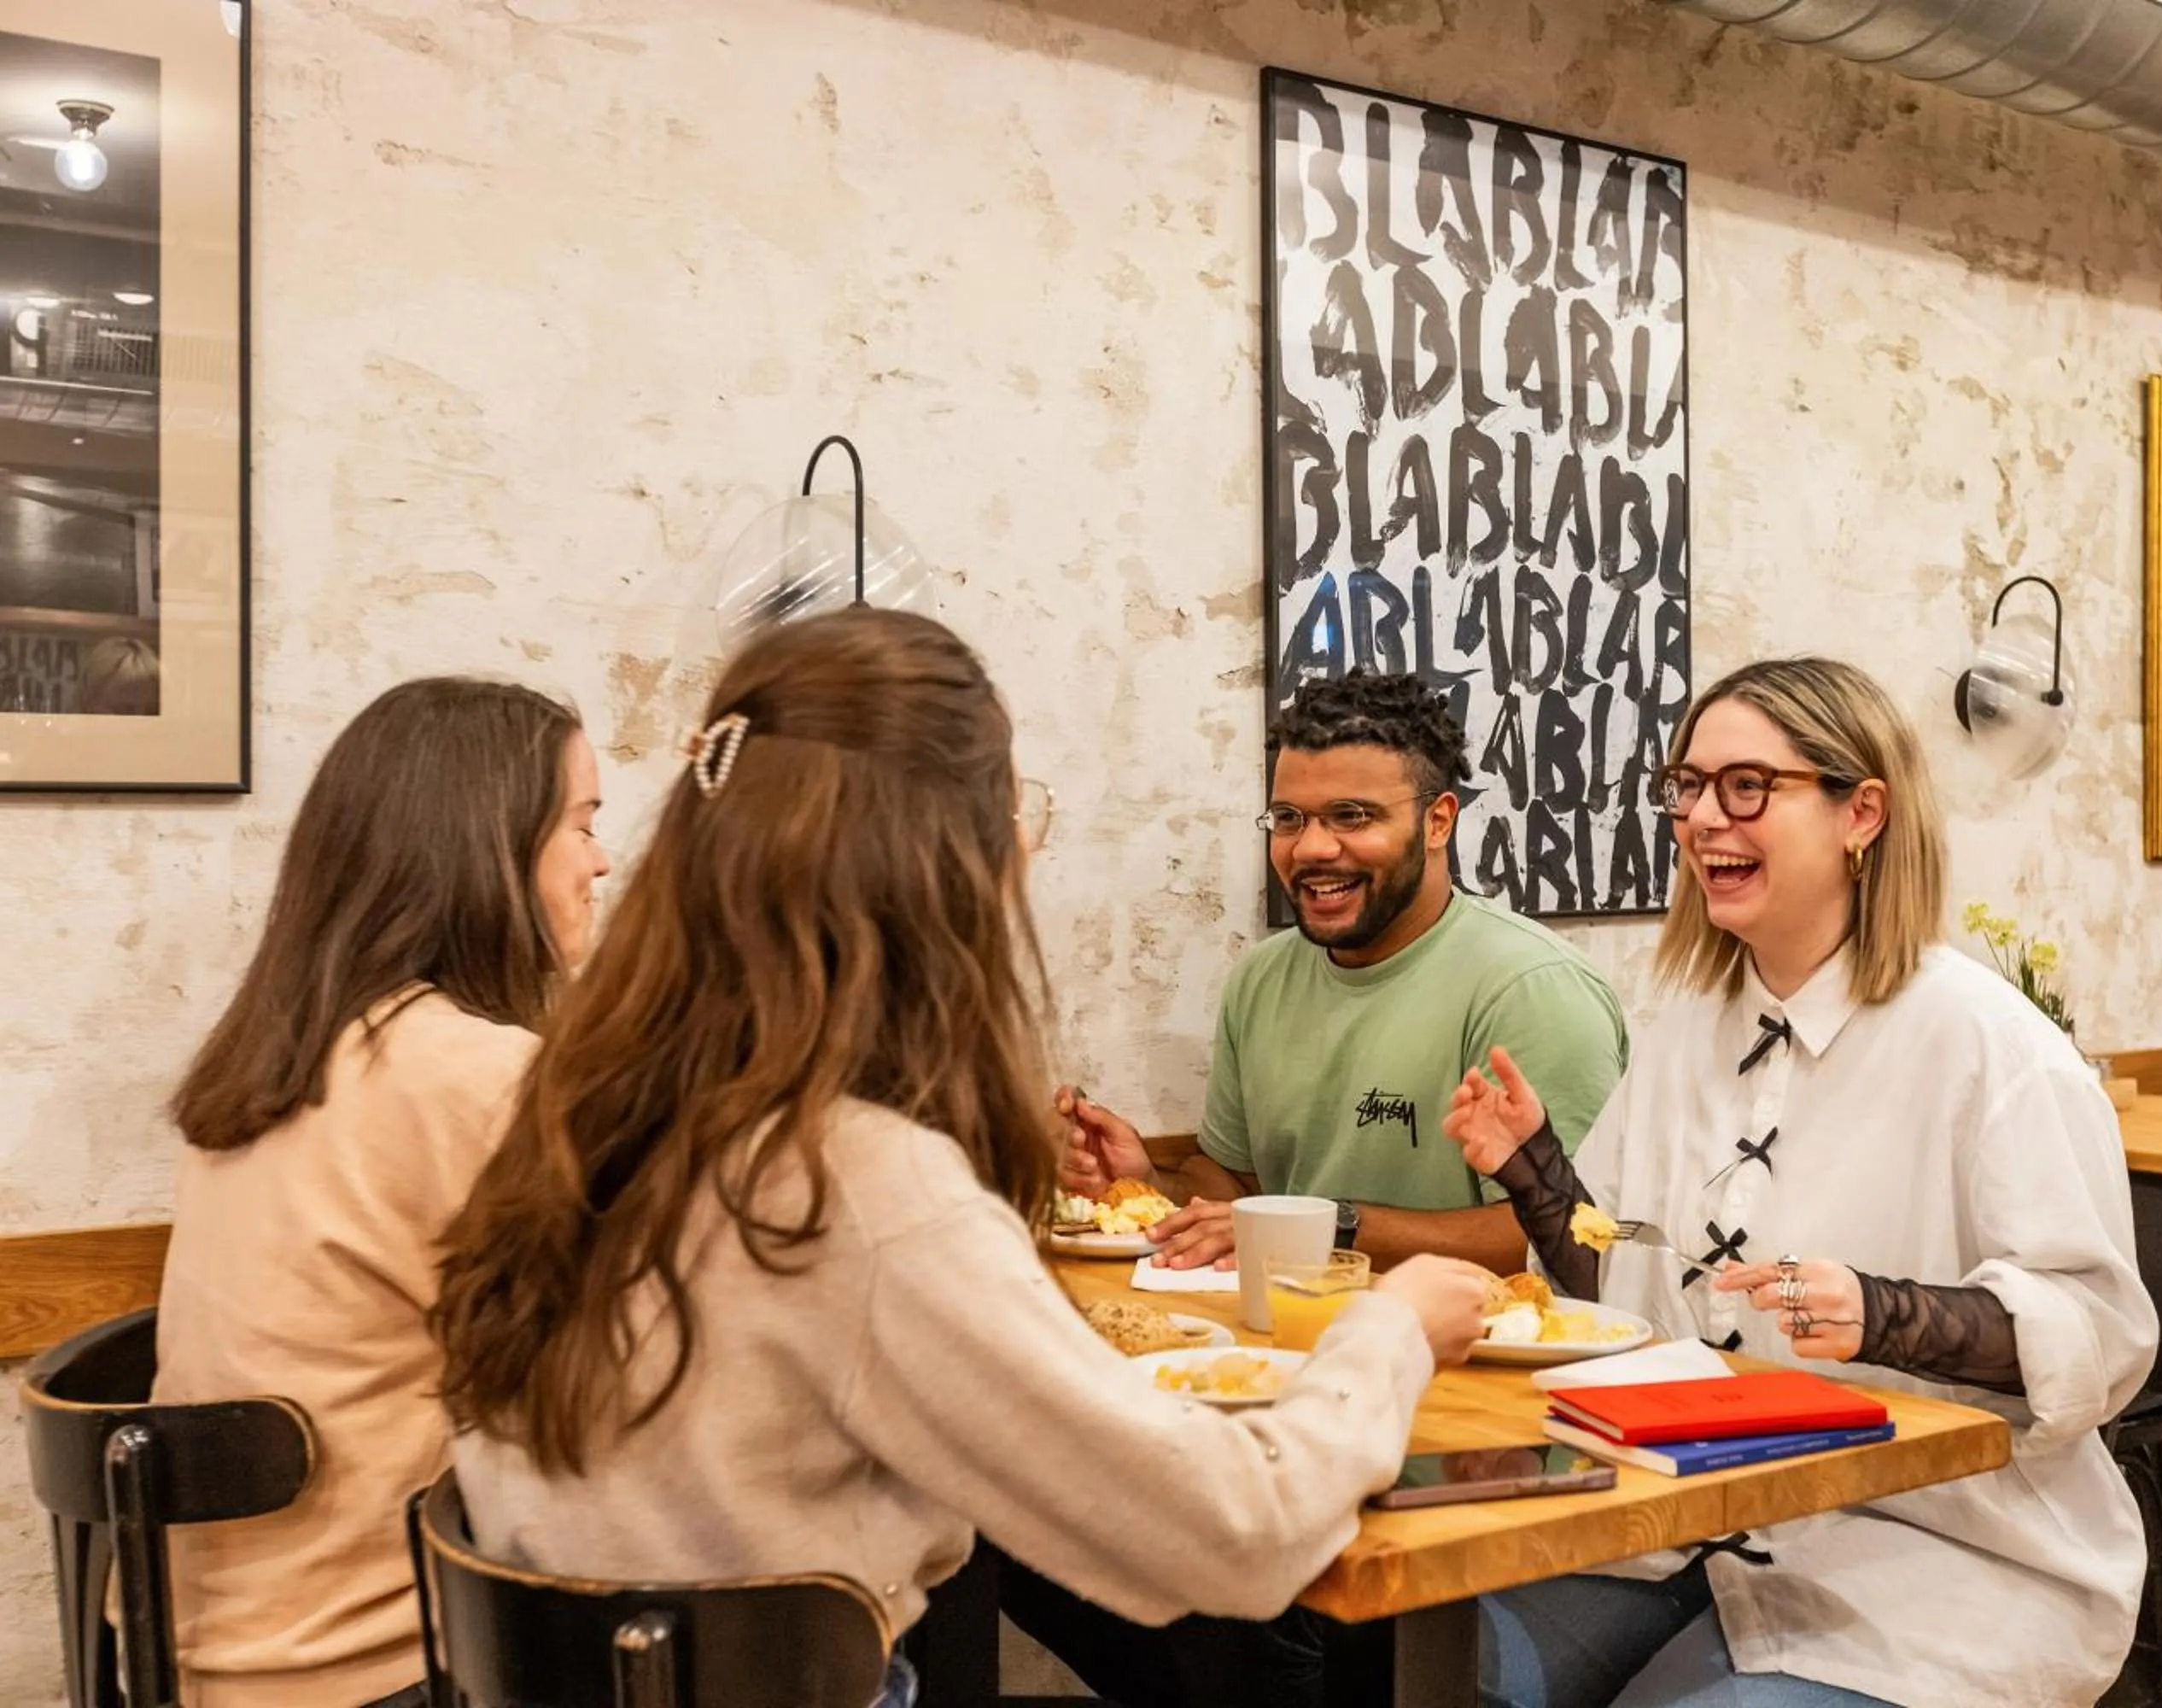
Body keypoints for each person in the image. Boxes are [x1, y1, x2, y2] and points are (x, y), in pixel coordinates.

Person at [430, 610, 1490, 1708]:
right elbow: (1239, 1533)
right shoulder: (848, 1177)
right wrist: (1391, 1330)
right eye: (1011, 809)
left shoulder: (587, 1105)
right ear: (933, 857)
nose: (1024, 848)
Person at [1446, 657, 2156, 1708]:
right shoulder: (1686, 1024)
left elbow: (2099, 1338)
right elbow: (1623, 1306)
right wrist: (1537, 1171)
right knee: (1459, 1680)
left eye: (1746, 786)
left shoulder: (1992, 1046)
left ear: (1860, 811)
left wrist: (1887, 1312)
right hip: (1686, 1520)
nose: (1701, 819)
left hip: (1946, 1555)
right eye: (1686, 786)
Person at [153, 677, 611, 1708]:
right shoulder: (469, 1070)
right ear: (484, 847)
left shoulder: (272, 1059)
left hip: (186, 1648)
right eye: (582, 822)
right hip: (380, 1661)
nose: (601, 858)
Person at [1062, 667, 1627, 1276]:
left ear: (1438, 821)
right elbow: (1232, 1183)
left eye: (1352, 816)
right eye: (1288, 819)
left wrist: (1333, 1224)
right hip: (1292, 1340)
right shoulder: (1261, 979)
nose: (1311, 849)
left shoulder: (1532, 990)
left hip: (1483, 1354)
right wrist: (1149, 1184)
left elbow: (1583, 1236)